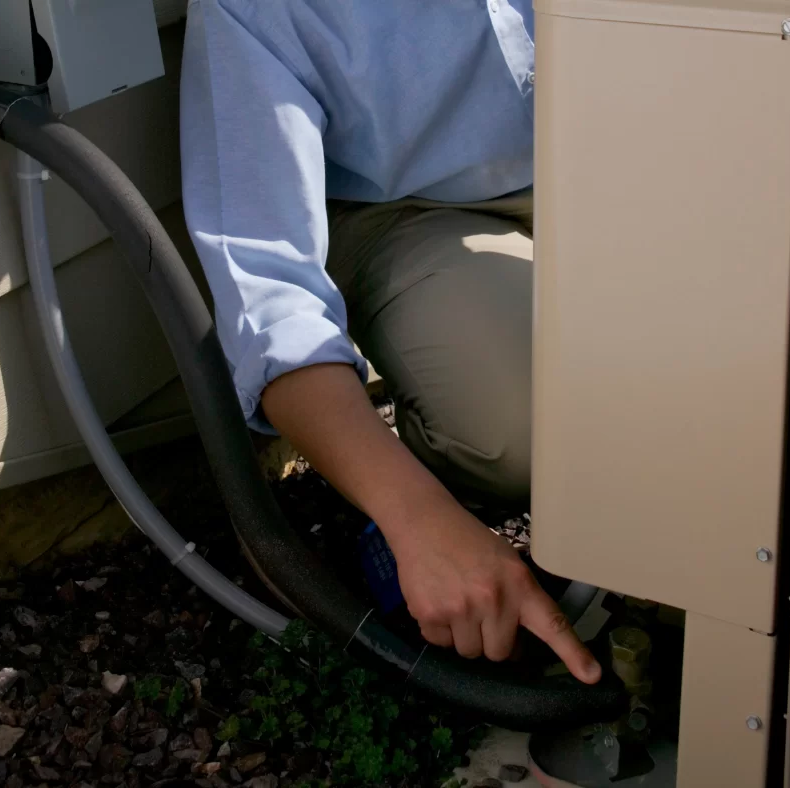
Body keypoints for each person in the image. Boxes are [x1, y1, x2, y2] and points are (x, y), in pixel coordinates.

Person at [178, 0, 601, 686]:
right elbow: (272, 296)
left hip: (610, 165)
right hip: (408, 208)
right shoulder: (251, 11)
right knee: (521, 429)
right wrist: (419, 521)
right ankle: (429, 499)